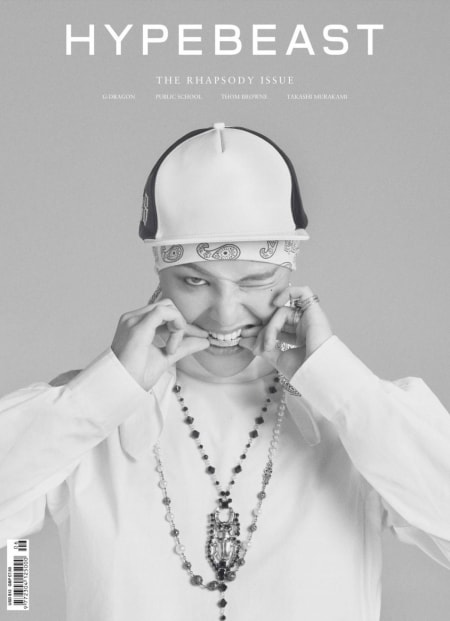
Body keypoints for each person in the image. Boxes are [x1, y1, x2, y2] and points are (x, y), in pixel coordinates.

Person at [0, 122, 449, 621]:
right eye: (195, 281)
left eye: (256, 280)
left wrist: (339, 384)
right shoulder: (81, 418)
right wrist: (101, 395)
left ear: (290, 275)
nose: (226, 314)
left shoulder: (357, 419)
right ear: (160, 275)